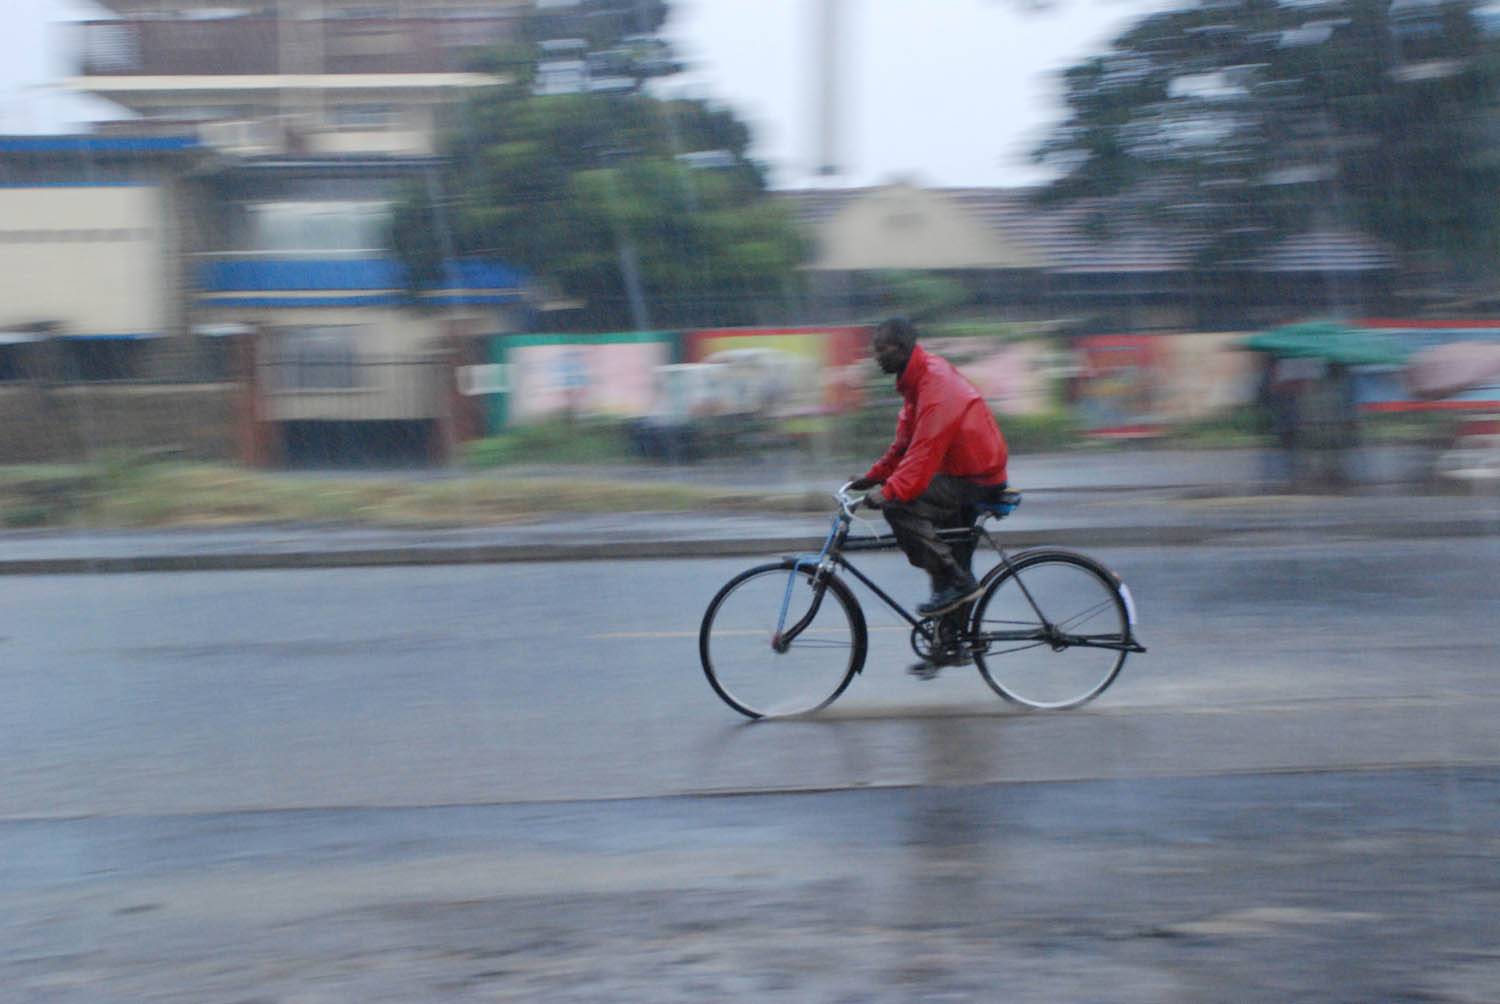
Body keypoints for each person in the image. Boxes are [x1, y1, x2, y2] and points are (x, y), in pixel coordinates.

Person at [849, 317, 1010, 646]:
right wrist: (873, 477)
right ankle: (950, 641)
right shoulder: (916, 382)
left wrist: (889, 491)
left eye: (882, 349)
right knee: (941, 548)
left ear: (902, 349)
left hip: (975, 476)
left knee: (900, 506)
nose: (876, 356)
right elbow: (904, 446)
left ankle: (958, 582)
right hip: (959, 472)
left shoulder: (934, 385)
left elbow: (923, 454)